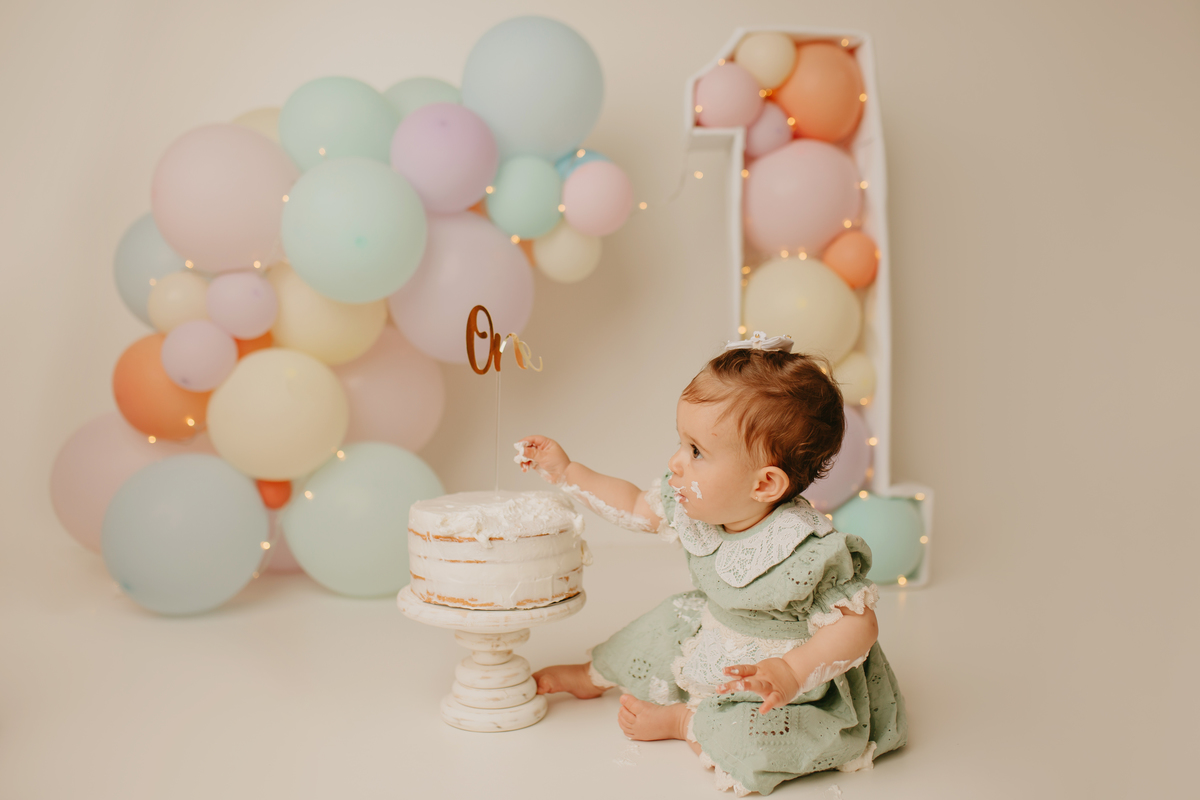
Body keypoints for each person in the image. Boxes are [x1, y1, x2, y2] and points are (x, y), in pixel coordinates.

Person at [514, 332, 907, 796]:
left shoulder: (805, 551)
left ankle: (688, 722)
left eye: (696, 452)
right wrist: (567, 471)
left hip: (778, 672)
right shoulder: (698, 505)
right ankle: (593, 675)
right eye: (682, 443)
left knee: (757, 733)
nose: (675, 463)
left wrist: (793, 670)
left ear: (764, 485)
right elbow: (637, 506)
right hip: (717, 629)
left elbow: (857, 626)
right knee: (661, 629)